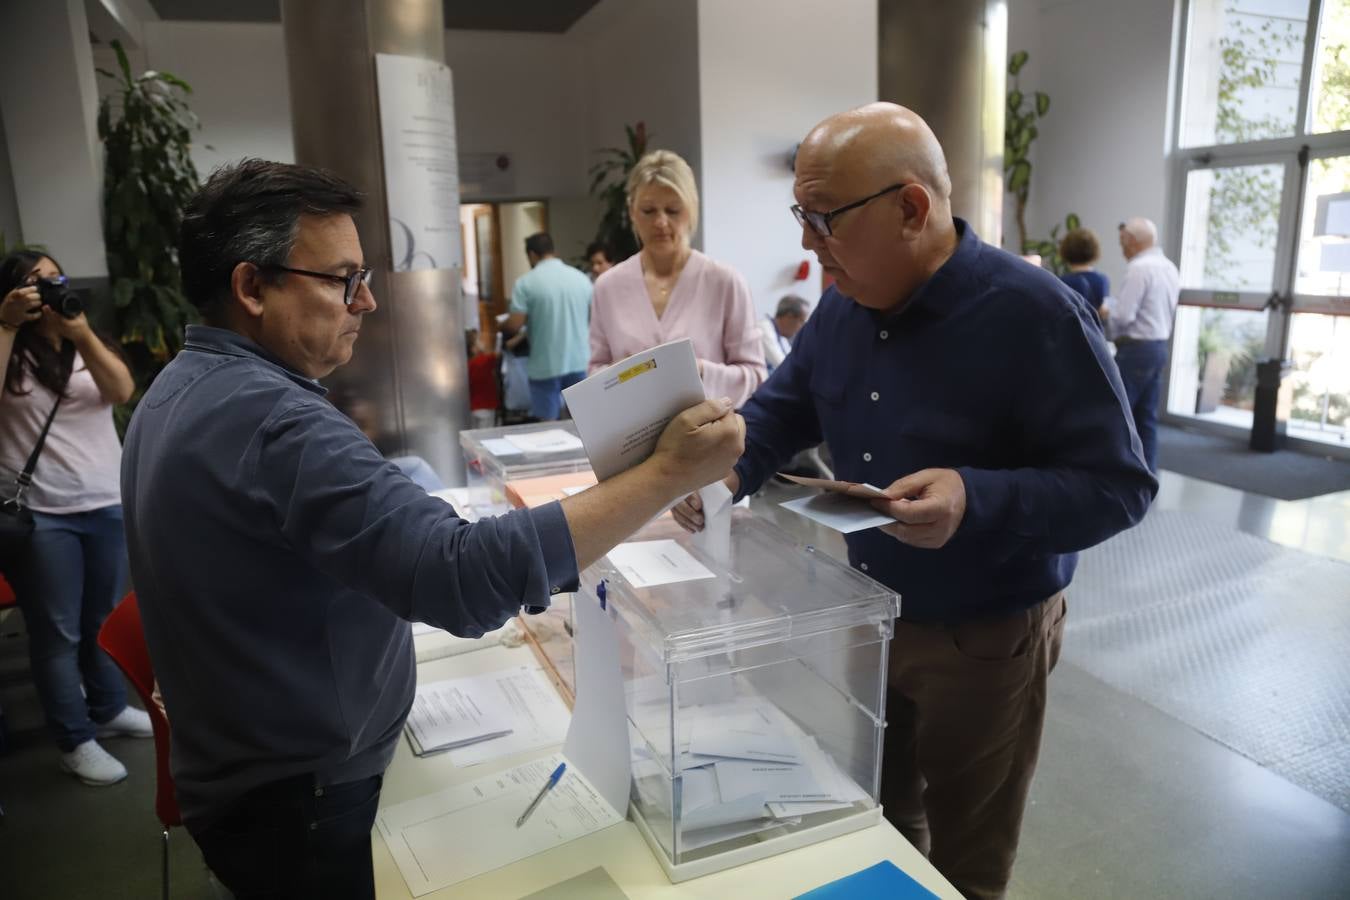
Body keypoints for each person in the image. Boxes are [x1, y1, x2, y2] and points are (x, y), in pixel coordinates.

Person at [120, 159, 744, 899]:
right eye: (344, 280)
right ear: (252, 287)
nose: (369, 300)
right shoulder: (277, 422)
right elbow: (462, 577)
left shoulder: (179, 384)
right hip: (301, 803)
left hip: (244, 765)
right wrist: (667, 475)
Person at [672, 104, 1156, 900]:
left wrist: (976, 497)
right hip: (867, 607)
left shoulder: (1032, 314)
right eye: (802, 215)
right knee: (880, 820)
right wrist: (729, 472)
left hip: (984, 636)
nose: (805, 242)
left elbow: (1120, 486)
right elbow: (781, 410)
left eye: (823, 219)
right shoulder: (843, 304)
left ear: (911, 208)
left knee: (968, 856)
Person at [0, 250, 148, 786]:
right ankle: (74, 739)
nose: (45, 289)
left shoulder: (86, 339)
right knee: (56, 634)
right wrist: (6, 324)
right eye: (31, 283)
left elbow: (122, 391)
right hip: (43, 515)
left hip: (105, 502)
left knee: (103, 618)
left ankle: (108, 710)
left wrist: (80, 332)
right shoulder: (9, 346)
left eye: (52, 278)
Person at [589, 149, 766, 407]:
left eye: (673, 210)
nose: (661, 222)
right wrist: (622, 376)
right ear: (632, 212)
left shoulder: (725, 282)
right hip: (632, 441)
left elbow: (754, 377)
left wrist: (699, 370)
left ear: (691, 209)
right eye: (648, 211)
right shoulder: (608, 287)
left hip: (707, 440)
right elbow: (595, 371)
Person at [1103, 217, 1180, 473]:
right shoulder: (1168, 267)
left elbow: (1124, 315)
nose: (1121, 248)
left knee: (1117, 415)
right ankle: (1148, 475)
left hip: (1135, 351)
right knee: (1146, 418)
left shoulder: (1139, 268)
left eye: (1122, 242)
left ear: (1133, 242)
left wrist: (1106, 314)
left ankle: (1114, 476)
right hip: (1158, 347)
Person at [505, 232, 593, 421]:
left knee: (547, 426)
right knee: (584, 422)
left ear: (532, 254)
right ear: (553, 251)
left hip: (545, 364)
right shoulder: (581, 279)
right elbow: (594, 317)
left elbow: (515, 323)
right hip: (579, 360)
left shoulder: (525, 283)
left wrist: (502, 326)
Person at [1057, 227, 1110, 319]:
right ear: (1094, 250)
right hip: (1095, 331)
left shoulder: (1060, 282)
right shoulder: (1102, 279)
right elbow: (1103, 311)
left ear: (1065, 251)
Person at [759, 294, 810, 374]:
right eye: (801, 321)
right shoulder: (764, 329)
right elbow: (783, 365)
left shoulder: (782, 336)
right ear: (789, 317)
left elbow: (793, 361)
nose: (802, 327)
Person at [466, 328, 500, 429]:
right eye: (479, 341)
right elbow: (497, 355)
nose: (482, 342)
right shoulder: (483, 361)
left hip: (472, 407)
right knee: (485, 436)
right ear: (473, 348)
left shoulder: (467, 364)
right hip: (486, 407)